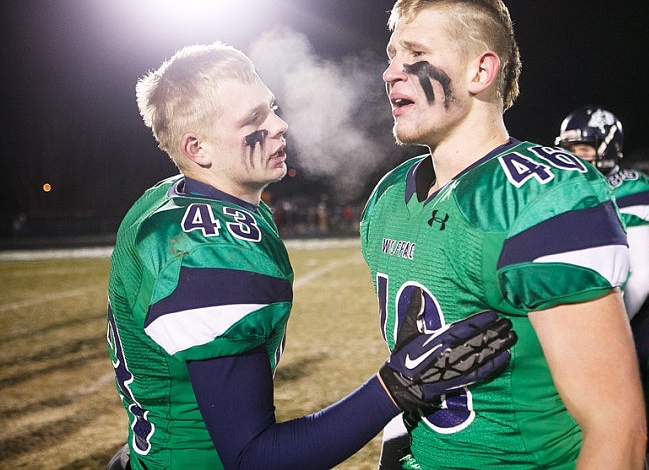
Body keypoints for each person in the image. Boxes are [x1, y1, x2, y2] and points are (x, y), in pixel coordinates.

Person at [106, 43, 518, 469]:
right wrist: (396, 387)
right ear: (198, 150)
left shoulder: (166, 199)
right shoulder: (211, 250)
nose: (280, 124)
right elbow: (254, 458)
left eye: (272, 107)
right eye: (254, 119)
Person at [360, 0, 646, 469]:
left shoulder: (541, 195)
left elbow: (616, 428)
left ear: (481, 72)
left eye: (415, 56)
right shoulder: (388, 197)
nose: (391, 73)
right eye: (391, 57)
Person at [556, 105, 649, 469]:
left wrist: (601, 334)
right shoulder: (569, 189)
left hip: (629, 320)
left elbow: (642, 277)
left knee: (646, 429)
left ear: (608, 147)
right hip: (583, 321)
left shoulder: (630, 187)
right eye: (570, 147)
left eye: (584, 148)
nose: (575, 156)